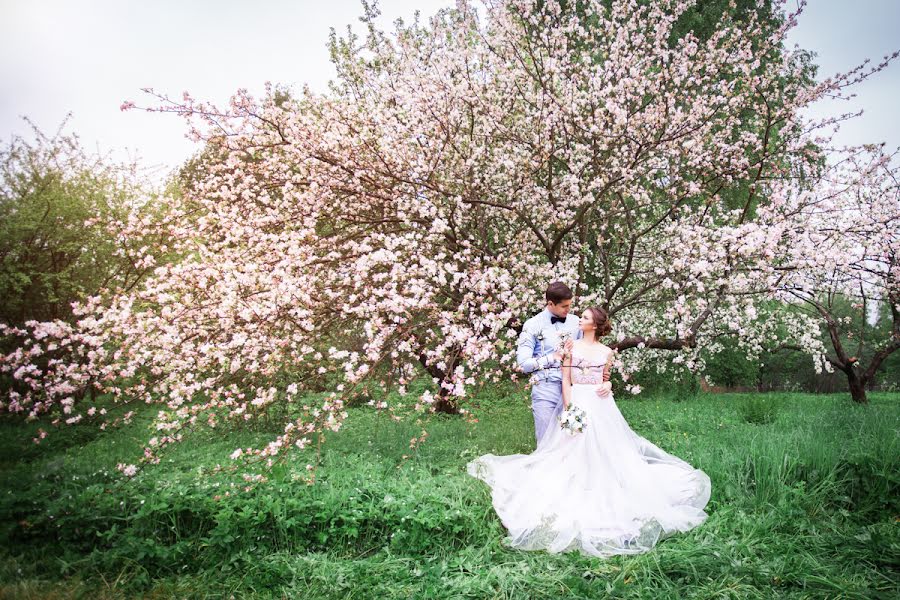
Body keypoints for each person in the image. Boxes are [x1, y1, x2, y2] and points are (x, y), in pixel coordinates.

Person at [468, 306, 711, 557]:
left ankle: (606, 489)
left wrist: (607, 384)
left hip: (602, 405)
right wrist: (569, 408)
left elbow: (606, 377)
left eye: (584, 317)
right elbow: (566, 380)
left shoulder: (607, 351)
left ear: (594, 324)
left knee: (606, 448)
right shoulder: (571, 347)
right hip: (578, 402)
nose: (578, 320)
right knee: (571, 447)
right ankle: (576, 486)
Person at [515, 282, 584, 445]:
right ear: (550, 304)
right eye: (564, 306)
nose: (568, 310)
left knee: (574, 439)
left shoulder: (576, 323)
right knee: (547, 441)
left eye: (570, 305)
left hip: (574, 390)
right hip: (545, 390)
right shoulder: (532, 325)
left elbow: (583, 352)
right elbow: (523, 364)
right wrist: (552, 357)